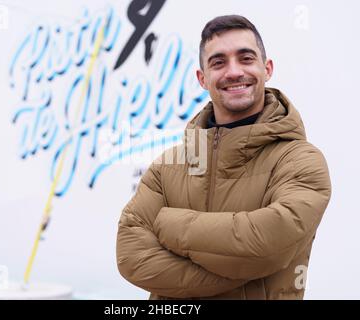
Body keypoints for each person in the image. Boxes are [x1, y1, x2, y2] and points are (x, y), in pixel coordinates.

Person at [116, 15, 331, 300]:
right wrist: (239, 272)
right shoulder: (167, 167)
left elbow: (267, 243)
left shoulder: (301, 160)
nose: (233, 72)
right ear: (202, 78)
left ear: (267, 69)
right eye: (218, 62)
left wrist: (170, 225)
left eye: (245, 58)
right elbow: (132, 255)